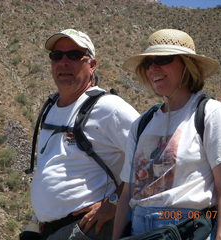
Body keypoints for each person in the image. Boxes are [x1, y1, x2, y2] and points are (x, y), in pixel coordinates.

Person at [112, 29, 221, 240]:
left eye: (163, 59)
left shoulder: (211, 113)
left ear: (187, 65)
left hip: (186, 229)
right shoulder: (141, 124)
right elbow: (128, 193)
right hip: (139, 229)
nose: (153, 68)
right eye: (148, 63)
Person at [29, 29, 139, 240]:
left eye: (74, 55)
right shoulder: (51, 106)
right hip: (48, 230)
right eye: (56, 56)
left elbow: (151, 157)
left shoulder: (109, 108)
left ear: (92, 64)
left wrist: (114, 202)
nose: (64, 62)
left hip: (87, 229)